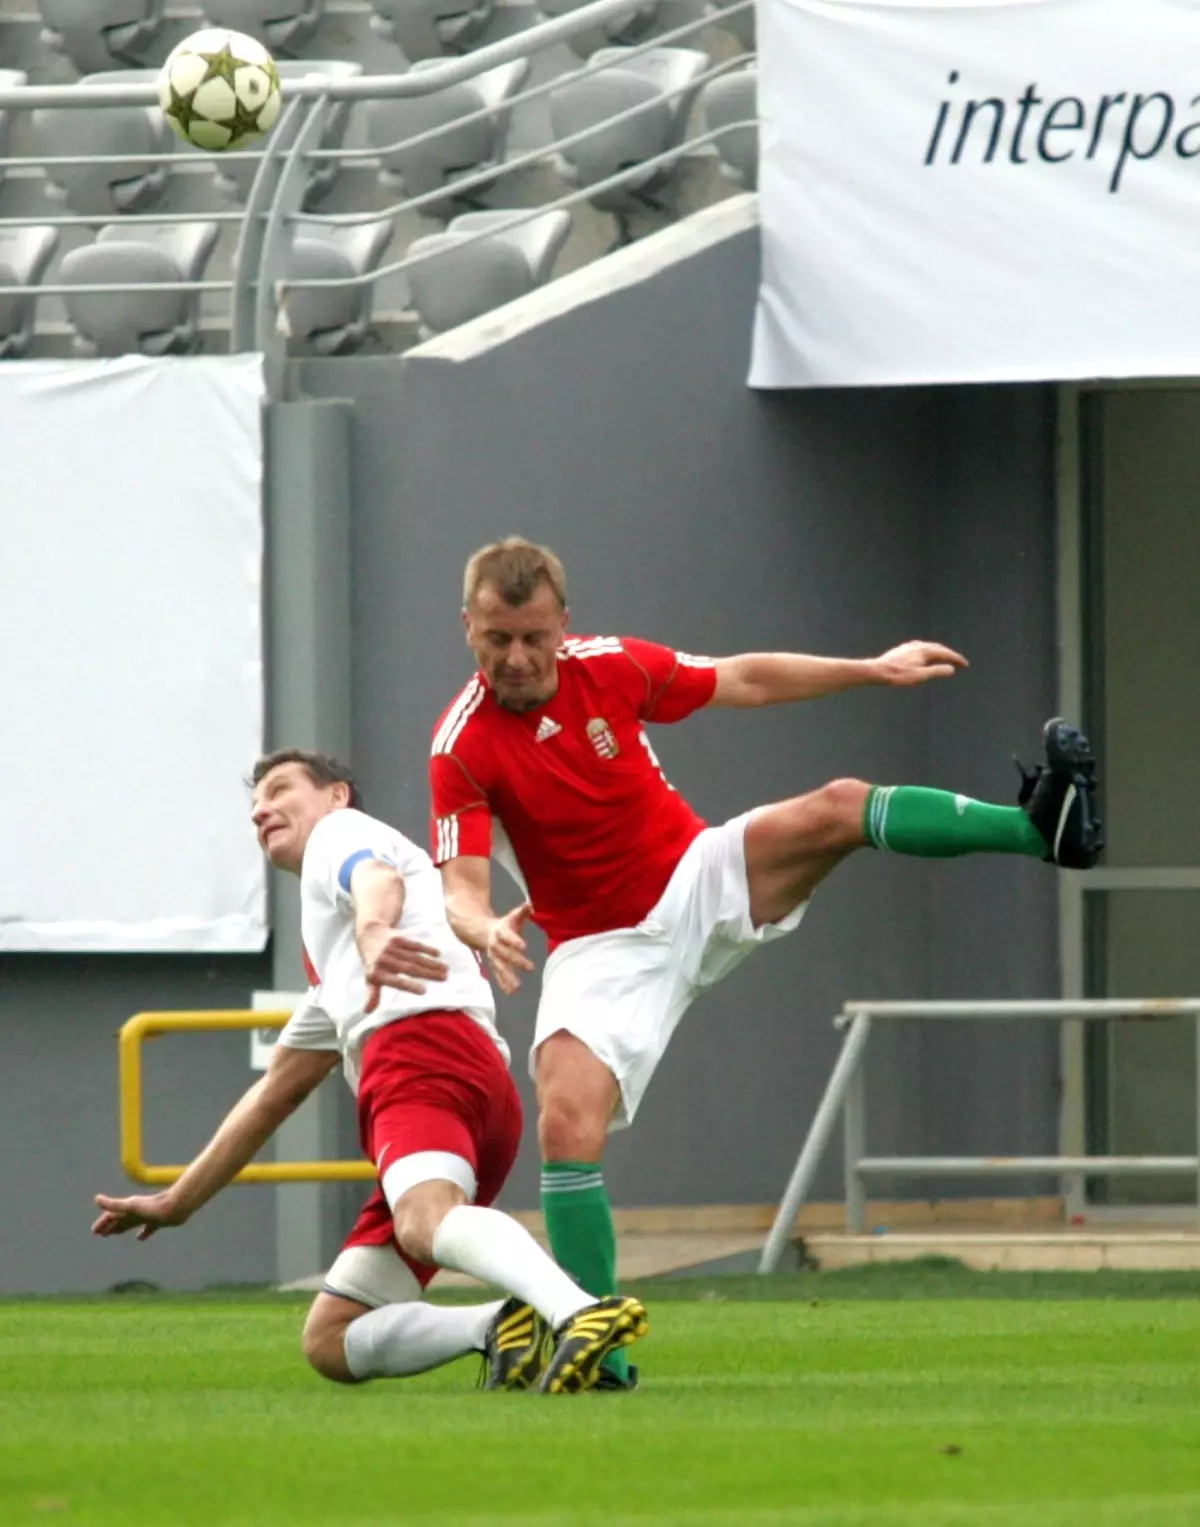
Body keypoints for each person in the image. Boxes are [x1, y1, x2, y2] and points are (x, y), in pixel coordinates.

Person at [429, 535, 1102, 1389]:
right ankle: (602, 1349)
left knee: (838, 805)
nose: (517, 657)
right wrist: (480, 924)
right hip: (599, 946)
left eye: (533, 636)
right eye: (497, 640)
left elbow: (742, 677)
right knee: (566, 1122)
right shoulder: (461, 743)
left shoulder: (614, 666)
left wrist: (872, 667)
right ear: (468, 629)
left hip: (693, 874)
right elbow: (461, 882)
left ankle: (1040, 829)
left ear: (564, 622)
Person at [92, 749, 647, 1396]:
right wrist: (176, 1202)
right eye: (253, 806)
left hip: (421, 1055)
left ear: (336, 796)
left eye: (280, 789)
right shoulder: (338, 966)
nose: (261, 809)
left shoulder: (341, 835)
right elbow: (274, 1093)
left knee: (422, 1220)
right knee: (331, 1337)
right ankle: (501, 1324)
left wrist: (374, 928)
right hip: (467, 1079)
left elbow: (375, 876)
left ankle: (578, 1311)